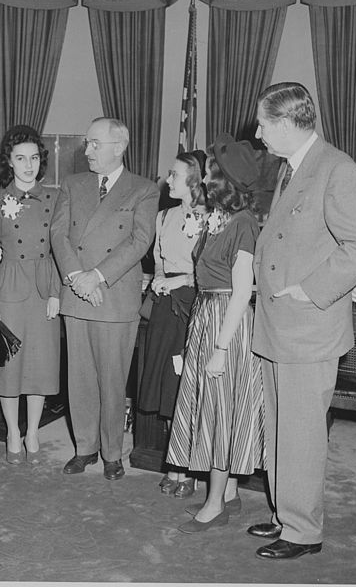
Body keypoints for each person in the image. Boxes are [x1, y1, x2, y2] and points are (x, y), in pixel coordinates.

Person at [249, 82, 356, 560]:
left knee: (302, 431)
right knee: (281, 426)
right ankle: (286, 512)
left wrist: (311, 288)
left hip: (308, 325)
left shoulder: (336, 168)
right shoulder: (293, 167)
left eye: (264, 124)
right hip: (279, 324)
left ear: (286, 123)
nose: (258, 133)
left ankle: (303, 532)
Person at [50, 117, 159, 480]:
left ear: (120, 146)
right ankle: (85, 448)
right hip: (78, 293)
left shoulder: (143, 189)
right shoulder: (73, 183)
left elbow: (140, 241)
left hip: (113, 295)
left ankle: (113, 452)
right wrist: (76, 278)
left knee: (113, 379)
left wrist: (95, 276)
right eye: (88, 143)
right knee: (78, 377)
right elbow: (59, 234)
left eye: (95, 144)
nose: (87, 150)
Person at [166, 133, 265, 533]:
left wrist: (221, 348)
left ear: (224, 181)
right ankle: (229, 493)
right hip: (208, 314)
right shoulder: (218, 218)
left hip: (227, 320)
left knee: (220, 410)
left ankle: (214, 505)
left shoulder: (243, 224)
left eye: (208, 175)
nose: (203, 181)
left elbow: (242, 290)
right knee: (214, 405)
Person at [0, 126, 61, 464]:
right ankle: (13, 431)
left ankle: (32, 431)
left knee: (40, 367)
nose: (28, 165)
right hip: (10, 288)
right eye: (20, 158)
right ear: (9, 162)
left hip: (44, 288)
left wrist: (57, 293)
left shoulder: (56, 197)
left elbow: (61, 250)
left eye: (33, 158)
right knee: (11, 369)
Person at [138, 150, 207, 497]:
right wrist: (158, 280)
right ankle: (174, 463)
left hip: (194, 306)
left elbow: (213, 272)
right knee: (168, 387)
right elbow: (161, 264)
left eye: (176, 175)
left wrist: (179, 282)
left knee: (188, 388)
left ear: (195, 180)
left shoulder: (212, 218)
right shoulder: (163, 216)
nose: (169, 180)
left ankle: (189, 468)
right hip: (165, 308)